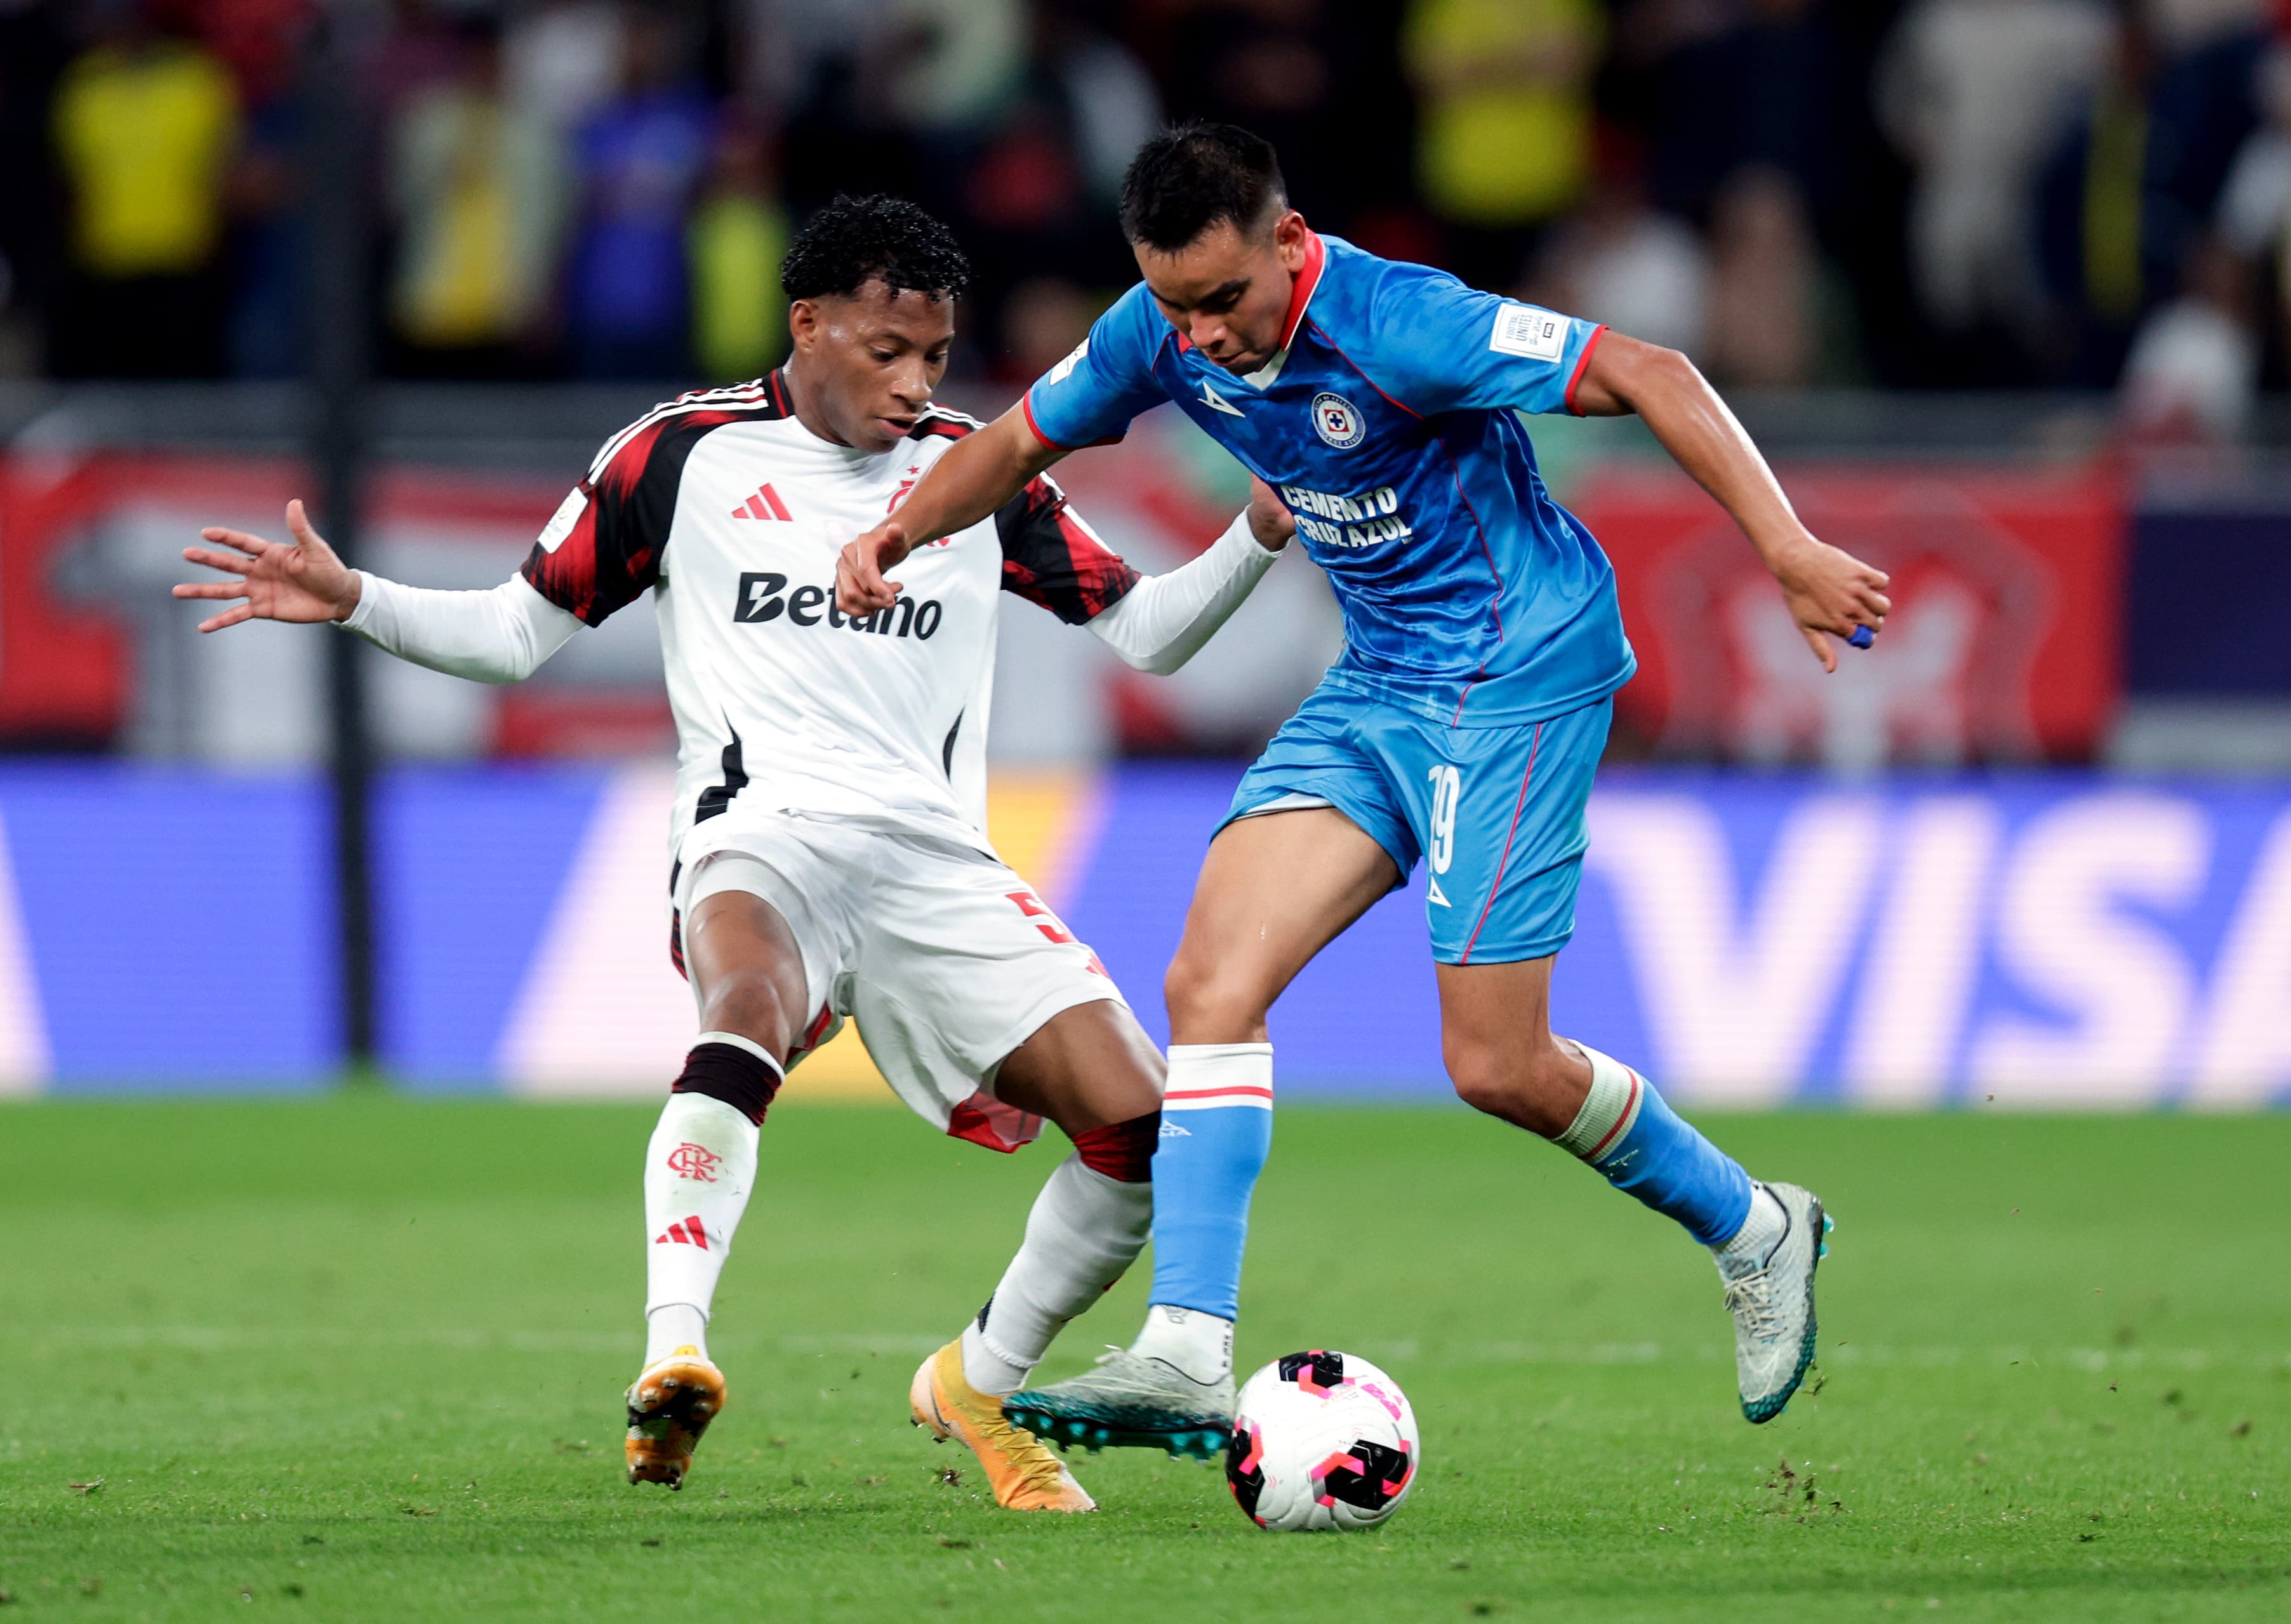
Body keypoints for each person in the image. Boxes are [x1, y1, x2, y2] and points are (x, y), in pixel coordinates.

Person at [173, 195, 1294, 1510]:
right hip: (759, 833)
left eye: (932, 354)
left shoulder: (976, 470)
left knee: (1144, 1130)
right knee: (745, 1012)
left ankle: (979, 1378)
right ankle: (676, 1351)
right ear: (806, 324)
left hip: (937, 862)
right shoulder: (680, 454)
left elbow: (1150, 633)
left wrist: (1260, 529)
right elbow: (511, 636)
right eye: (885, 349)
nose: (914, 380)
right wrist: (354, 596)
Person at [840, 124, 1890, 1456]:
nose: (1205, 336)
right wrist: (897, 527)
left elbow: (1649, 367)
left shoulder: (1405, 322)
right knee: (1209, 981)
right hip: (1379, 680)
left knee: (1496, 1063)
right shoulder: (1154, 333)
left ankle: (1755, 1222)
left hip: (1518, 672)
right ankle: (1183, 1349)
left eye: (1225, 298)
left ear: (1288, 242)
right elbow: (1015, 442)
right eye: (1177, 304)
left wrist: (1787, 549)